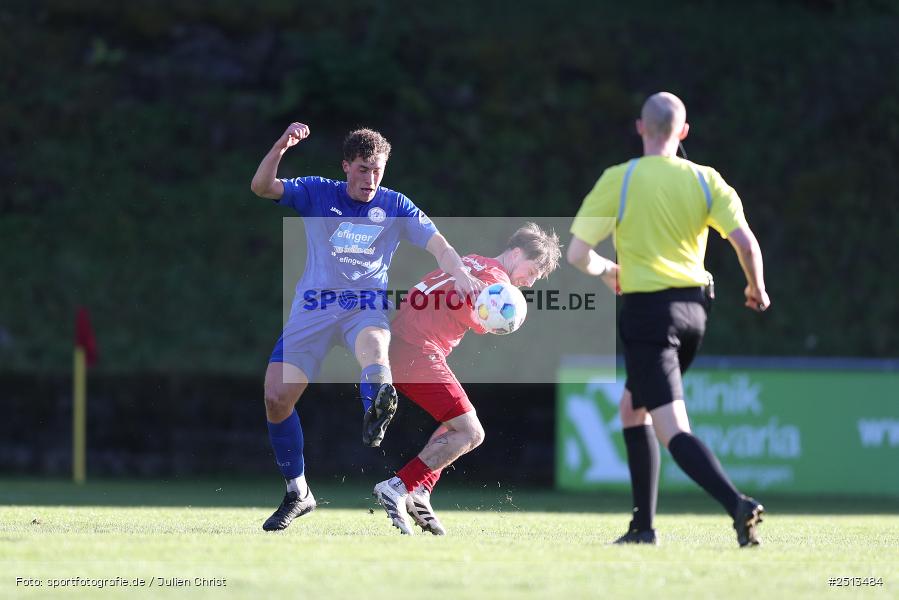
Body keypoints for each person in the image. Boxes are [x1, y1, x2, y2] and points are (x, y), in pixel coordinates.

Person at [250, 123, 483, 531]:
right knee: (276, 397)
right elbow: (262, 187)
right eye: (362, 169)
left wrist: (460, 271)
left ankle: (375, 407)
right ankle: (298, 492)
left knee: (375, 348)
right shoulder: (317, 192)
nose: (370, 179)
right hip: (314, 309)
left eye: (377, 170)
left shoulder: (395, 204)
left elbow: (439, 245)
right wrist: (281, 147)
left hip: (364, 307)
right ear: (346, 166)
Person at [567, 92, 771, 547]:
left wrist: (608, 271)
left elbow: (577, 254)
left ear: (641, 127)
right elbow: (745, 243)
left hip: (649, 316)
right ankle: (642, 528)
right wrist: (756, 288)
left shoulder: (620, 179)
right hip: (695, 312)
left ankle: (737, 505)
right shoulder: (705, 179)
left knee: (672, 427)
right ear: (683, 131)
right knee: (632, 408)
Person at [372, 223, 562, 535]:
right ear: (516, 253)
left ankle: (419, 490)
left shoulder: (473, 261)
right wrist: (495, 317)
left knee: (457, 424)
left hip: (406, 344)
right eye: (532, 272)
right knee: (471, 433)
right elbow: (481, 317)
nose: (529, 282)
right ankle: (398, 486)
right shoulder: (495, 282)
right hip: (415, 349)